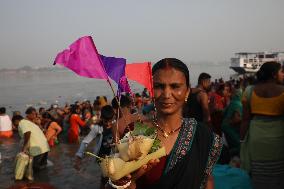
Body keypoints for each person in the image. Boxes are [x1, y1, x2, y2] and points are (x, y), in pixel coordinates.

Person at [115, 58, 222, 189]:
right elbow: (115, 181)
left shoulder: (202, 135)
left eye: (175, 86)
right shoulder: (136, 133)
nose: (166, 94)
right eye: (159, 86)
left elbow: (207, 181)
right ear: (151, 90)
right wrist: (128, 183)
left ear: (187, 92)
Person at [240, 61, 284, 188]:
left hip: (256, 138)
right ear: (274, 74)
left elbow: (245, 120)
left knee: (258, 176)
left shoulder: (249, 91)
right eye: (281, 71)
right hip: (278, 138)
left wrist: (242, 141)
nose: (283, 74)